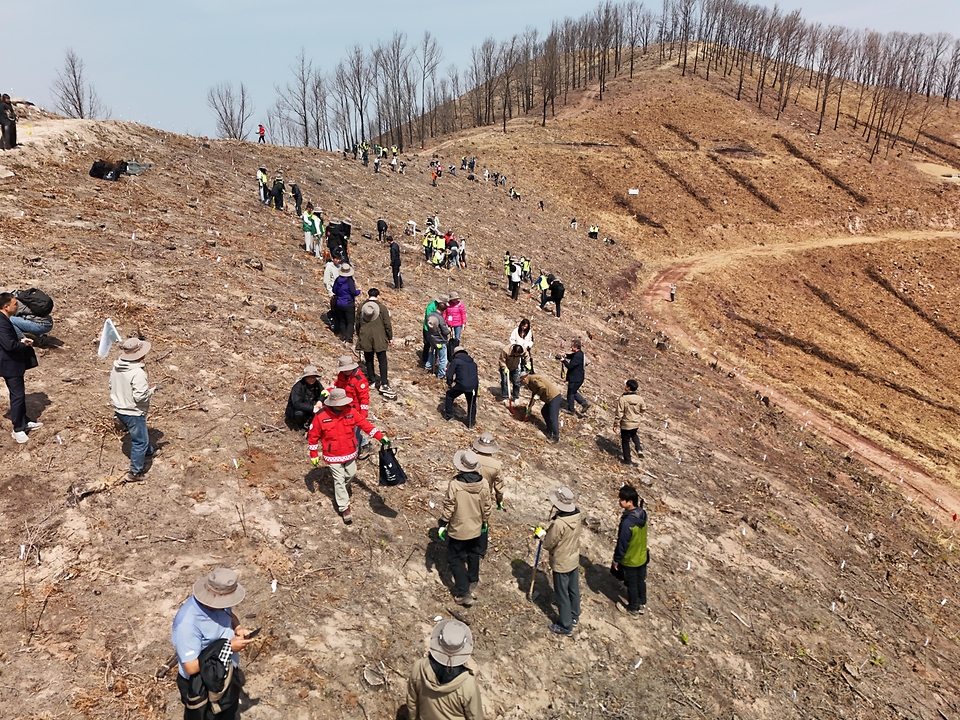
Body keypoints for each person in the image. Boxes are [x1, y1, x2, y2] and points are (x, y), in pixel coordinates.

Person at [171, 568, 253, 720]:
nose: (225, 605)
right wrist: (229, 648)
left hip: (225, 670)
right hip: (203, 683)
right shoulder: (187, 624)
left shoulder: (219, 603)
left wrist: (237, 627)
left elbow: (229, 613)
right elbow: (191, 667)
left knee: (228, 710)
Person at [307, 388, 388, 524]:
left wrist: (380, 436)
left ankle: (342, 490)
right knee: (339, 480)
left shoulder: (350, 411)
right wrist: (314, 454)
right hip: (332, 454)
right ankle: (345, 507)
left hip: (350, 451)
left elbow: (365, 424)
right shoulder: (321, 416)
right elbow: (313, 436)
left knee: (351, 473)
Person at [438, 450, 492, 606]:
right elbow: (487, 506)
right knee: (473, 552)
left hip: (458, 528)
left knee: (453, 558)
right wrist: (485, 522)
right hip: (476, 526)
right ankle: (473, 579)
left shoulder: (455, 485)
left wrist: (443, 523)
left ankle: (464, 591)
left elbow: (449, 506)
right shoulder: (484, 483)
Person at [406, 619, 483, 720]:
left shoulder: (419, 667)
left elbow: (412, 705)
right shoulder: (468, 684)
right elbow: (475, 717)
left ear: (438, 641)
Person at [109, 338, 157, 480]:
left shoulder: (116, 367)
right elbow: (140, 397)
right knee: (139, 441)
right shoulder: (138, 373)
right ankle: (135, 473)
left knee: (140, 433)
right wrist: (151, 391)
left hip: (119, 408)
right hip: (133, 411)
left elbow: (111, 386)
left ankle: (148, 451)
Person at [536, 486, 581, 635]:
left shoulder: (559, 523)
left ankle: (566, 625)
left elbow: (549, 544)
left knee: (561, 594)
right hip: (574, 558)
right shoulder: (577, 515)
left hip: (562, 562)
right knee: (573, 589)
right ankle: (574, 614)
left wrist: (542, 534)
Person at [0, 292, 40, 444]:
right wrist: (23, 344)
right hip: (9, 364)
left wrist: (20, 339)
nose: (17, 306)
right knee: (17, 396)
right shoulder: (2, 322)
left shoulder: (5, 319)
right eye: (15, 304)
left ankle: (24, 421)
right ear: (6, 306)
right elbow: (9, 345)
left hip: (11, 363)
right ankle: (18, 429)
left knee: (20, 394)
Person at [612, 484, 648, 617]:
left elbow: (622, 544)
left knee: (631, 584)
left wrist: (616, 560)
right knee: (640, 581)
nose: (619, 502)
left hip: (631, 559)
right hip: (642, 555)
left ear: (630, 502)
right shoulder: (642, 514)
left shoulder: (627, 523)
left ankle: (633, 608)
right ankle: (642, 602)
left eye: (622, 500)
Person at [356, 290, 394, 397]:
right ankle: (384, 382)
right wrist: (390, 337)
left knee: (368, 359)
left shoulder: (362, 307)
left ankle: (371, 380)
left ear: (368, 295)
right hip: (379, 338)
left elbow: (357, 323)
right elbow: (387, 324)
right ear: (378, 295)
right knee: (382, 360)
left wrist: (359, 334)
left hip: (365, 336)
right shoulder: (382, 308)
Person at [333, 355, 372, 454]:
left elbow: (364, 399)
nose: (345, 371)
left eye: (347, 369)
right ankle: (365, 443)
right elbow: (337, 385)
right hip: (343, 407)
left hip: (355, 411)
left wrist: (363, 415)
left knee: (353, 433)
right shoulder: (342, 375)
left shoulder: (360, 380)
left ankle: (354, 453)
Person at [520, 372, 562, 443]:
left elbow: (542, 387)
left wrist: (538, 395)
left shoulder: (533, 380)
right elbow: (534, 394)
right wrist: (530, 407)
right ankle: (549, 428)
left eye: (521, 381)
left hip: (554, 397)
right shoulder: (530, 382)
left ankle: (555, 437)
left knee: (553, 416)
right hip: (549, 399)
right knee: (544, 411)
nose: (522, 383)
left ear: (524, 378)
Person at [444, 347, 477, 428]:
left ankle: (449, 416)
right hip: (473, 386)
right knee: (472, 403)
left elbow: (449, 374)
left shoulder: (456, 361)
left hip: (461, 384)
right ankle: (471, 423)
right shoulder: (473, 363)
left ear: (455, 354)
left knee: (449, 395)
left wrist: (449, 383)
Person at [614, 379, 646, 464]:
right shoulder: (639, 398)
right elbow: (643, 408)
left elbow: (619, 413)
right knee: (634, 434)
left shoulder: (623, 398)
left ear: (628, 388)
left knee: (625, 441)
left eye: (626, 385)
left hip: (626, 423)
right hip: (636, 422)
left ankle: (627, 460)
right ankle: (639, 448)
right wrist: (638, 414)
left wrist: (616, 424)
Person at [285, 365, 324, 431]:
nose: (312, 379)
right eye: (309, 377)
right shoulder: (298, 387)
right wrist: (312, 408)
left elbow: (323, 392)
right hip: (297, 409)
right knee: (299, 413)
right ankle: (299, 425)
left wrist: (320, 400)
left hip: (312, 406)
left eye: (314, 377)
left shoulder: (317, 384)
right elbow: (296, 403)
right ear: (305, 377)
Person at [559, 339, 590, 416]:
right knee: (573, 392)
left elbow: (570, 366)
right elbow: (571, 356)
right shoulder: (579, 354)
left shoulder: (578, 356)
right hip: (577, 378)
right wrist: (565, 355)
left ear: (576, 347)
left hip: (575, 378)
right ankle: (584, 403)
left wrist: (563, 361)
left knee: (570, 394)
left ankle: (571, 410)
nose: (571, 348)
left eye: (572, 347)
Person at [332, 263, 360, 343]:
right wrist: (358, 291)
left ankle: (343, 335)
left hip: (339, 303)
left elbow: (334, 290)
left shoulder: (337, 280)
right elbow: (353, 292)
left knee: (342, 320)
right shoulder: (349, 281)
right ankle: (349, 337)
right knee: (350, 321)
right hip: (348, 303)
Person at [421, 295, 447, 365]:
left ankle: (434, 360)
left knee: (434, 346)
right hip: (428, 328)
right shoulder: (431, 306)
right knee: (427, 344)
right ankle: (425, 359)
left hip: (436, 329)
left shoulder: (440, 308)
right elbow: (429, 319)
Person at [425, 312, 450, 379]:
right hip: (440, 341)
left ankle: (427, 367)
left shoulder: (430, 315)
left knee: (432, 353)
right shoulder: (440, 318)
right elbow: (445, 331)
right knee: (442, 358)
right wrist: (449, 330)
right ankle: (441, 374)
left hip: (432, 340)